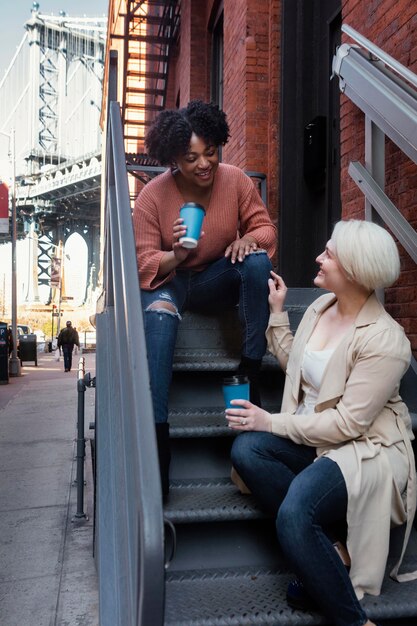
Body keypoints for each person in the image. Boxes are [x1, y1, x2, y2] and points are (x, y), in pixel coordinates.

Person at [228, 219, 417, 626]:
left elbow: (348, 423)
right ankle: (331, 547)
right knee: (246, 449)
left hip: (364, 449)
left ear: (352, 269)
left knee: (295, 511)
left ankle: (355, 621)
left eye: (328, 253)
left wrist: (271, 422)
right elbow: (299, 366)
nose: (318, 257)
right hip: (316, 433)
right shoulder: (320, 307)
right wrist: (278, 315)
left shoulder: (386, 341)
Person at [132, 99, 277, 496]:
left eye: (210, 152)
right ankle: (158, 448)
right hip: (171, 281)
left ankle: (249, 370)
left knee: (257, 263)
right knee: (159, 320)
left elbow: (266, 231)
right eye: (191, 157)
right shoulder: (152, 197)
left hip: (216, 277)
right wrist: (175, 254)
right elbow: (143, 261)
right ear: (173, 160)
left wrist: (248, 239)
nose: (204, 164)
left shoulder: (235, 181)